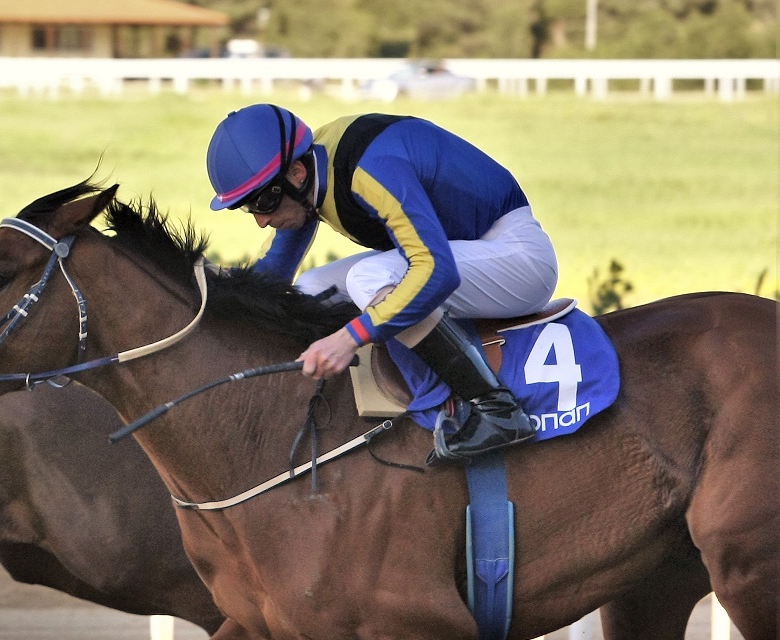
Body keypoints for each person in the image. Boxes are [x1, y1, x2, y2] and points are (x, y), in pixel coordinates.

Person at [205, 104, 556, 462]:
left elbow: (437, 270)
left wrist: (347, 339)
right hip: (463, 251)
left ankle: (498, 410)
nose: (262, 220)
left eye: (265, 201)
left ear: (296, 172)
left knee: (367, 277)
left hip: (516, 258)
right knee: (310, 289)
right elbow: (272, 276)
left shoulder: (368, 170)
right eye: (249, 208)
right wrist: (203, 287)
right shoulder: (310, 172)